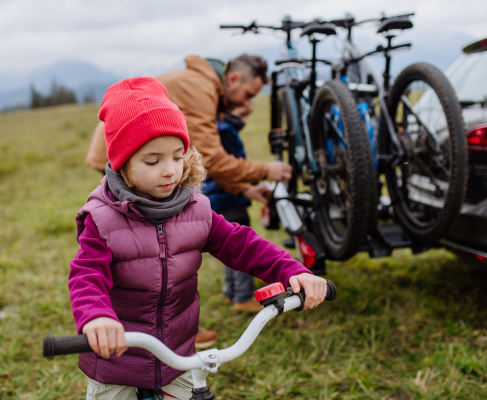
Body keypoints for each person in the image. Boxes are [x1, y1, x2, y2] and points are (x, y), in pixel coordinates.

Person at [70, 77, 329, 400]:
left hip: (176, 359)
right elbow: (86, 275)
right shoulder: (103, 219)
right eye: (153, 161)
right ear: (123, 166)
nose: (169, 171)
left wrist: (293, 271)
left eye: (177, 157)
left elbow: (243, 244)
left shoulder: (196, 209)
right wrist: (96, 317)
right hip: (117, 362)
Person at [85, 54, 294, 347]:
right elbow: (214, 158)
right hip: (126, 150)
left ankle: (172, 330)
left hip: (142, 156)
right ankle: (158, 333)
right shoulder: (203, 89)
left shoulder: (204, 86)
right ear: (233, 79)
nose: (246, 104)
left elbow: (194, 161)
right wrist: (263, 171)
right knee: (149, 251)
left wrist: (245, 190)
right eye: (248, 95)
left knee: (160, 248)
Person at [205, 102, 262, 312]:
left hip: (216, 198)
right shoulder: (225, 132)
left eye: (247, 115)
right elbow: (232, 169)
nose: (243, 120)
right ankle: (244, 297)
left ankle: (231, 292)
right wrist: (249, 184)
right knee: (243, 249)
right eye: (240, 113)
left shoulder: (216, 130)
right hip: (229, 198)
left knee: (228, 248)